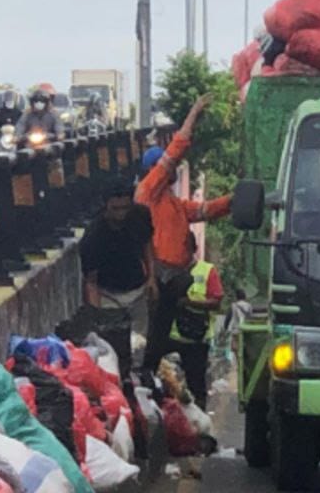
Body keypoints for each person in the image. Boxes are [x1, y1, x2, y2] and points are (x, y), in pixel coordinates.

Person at [137, 93, 232, 370]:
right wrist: (193, 114)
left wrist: (235, 200)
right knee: (154, 341)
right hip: (160, 277)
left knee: (166, 343)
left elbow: (205, 210)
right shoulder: (149, 193)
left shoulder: (172, 204)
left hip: (174, 281)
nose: (175, 168)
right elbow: (175, 151)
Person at [79, 179, 155, 376]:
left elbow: (147, 245)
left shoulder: (140, 216)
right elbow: (91, 281)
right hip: (108, 294)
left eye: (125, 208)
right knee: (112, 346)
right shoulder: (94, 236)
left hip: (137, 290)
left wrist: (152, 278)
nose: (121, 214)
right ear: (106, 206)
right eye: (116, 208)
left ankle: (136, 377)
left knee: (139, 344)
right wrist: (97, 315)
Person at [167, 232, 224, 410]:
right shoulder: (167, 271)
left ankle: (199, 424)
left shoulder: (207, 271)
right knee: (168, 385)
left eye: (184, 249)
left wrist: (190, 303)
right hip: (170, 339)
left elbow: (216, 301)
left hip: (196, 340)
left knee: (196, 386)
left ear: (193, 250)